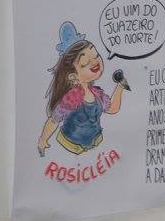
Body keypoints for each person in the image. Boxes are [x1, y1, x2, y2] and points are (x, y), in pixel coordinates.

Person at [36, 22, 125, 156]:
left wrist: (120, 86)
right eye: (85, 63)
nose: (94, 62)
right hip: (71, 147)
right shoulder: (71, 98)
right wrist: (43, 139)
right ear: (73, 76)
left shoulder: (97, 94)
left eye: (96, 55)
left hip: (95, 143)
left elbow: (112, 108)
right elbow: (54, 120)